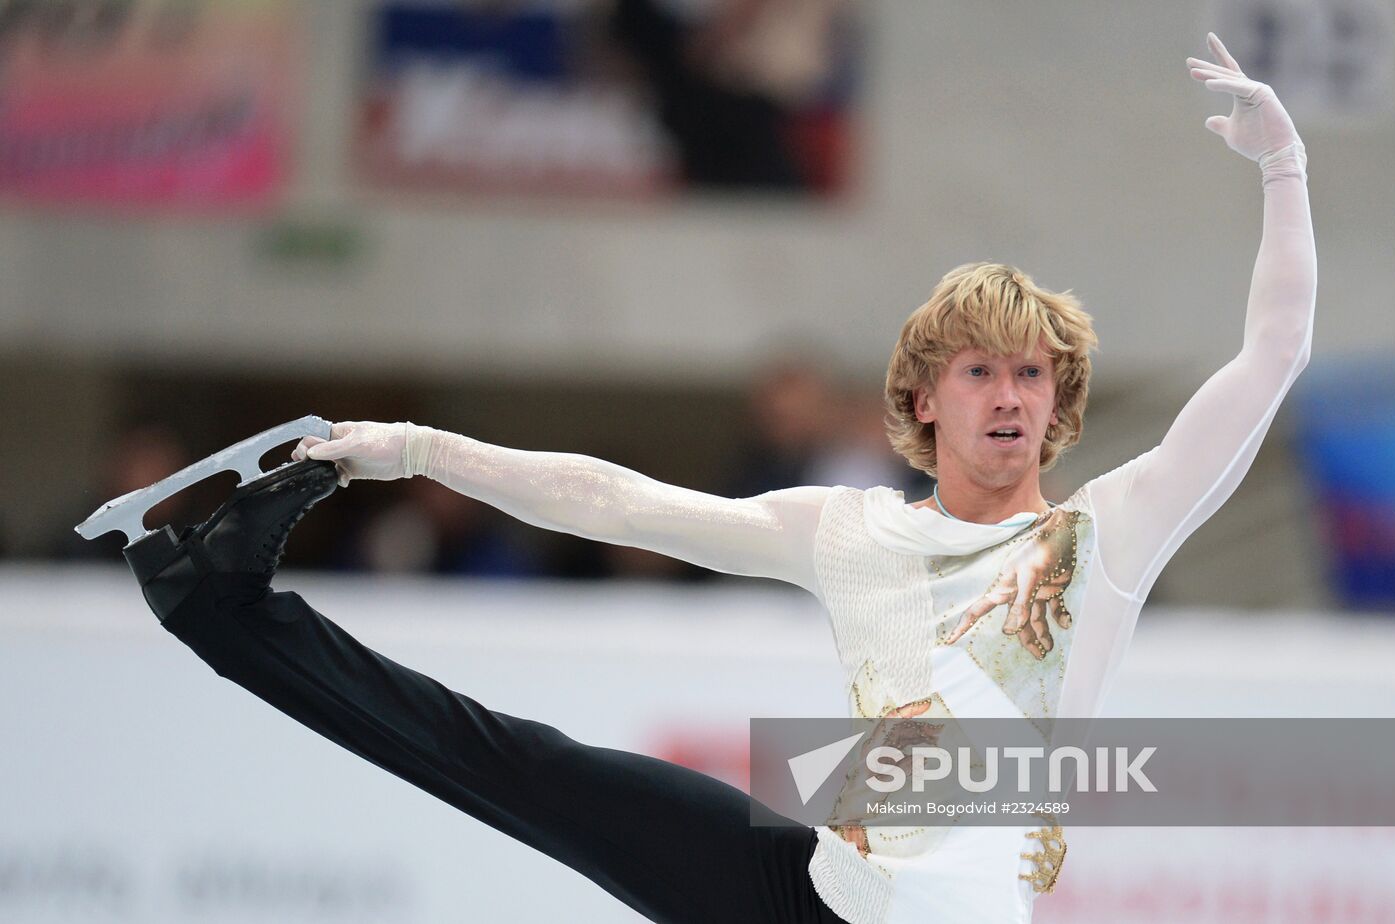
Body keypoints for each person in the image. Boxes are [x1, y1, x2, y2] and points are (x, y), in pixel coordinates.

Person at [120, 34, 1314, 924]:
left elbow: (1269, 359)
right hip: (798, 895)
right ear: (920, 399)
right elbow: (619, 503)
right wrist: (420, 451)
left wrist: (1283, 173)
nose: (1008, 395)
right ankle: (218, 608)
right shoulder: (843, 530)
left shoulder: (1106, 537)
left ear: (1060, 405)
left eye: (1032, 376)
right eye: (979, 371)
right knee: (526, 767)